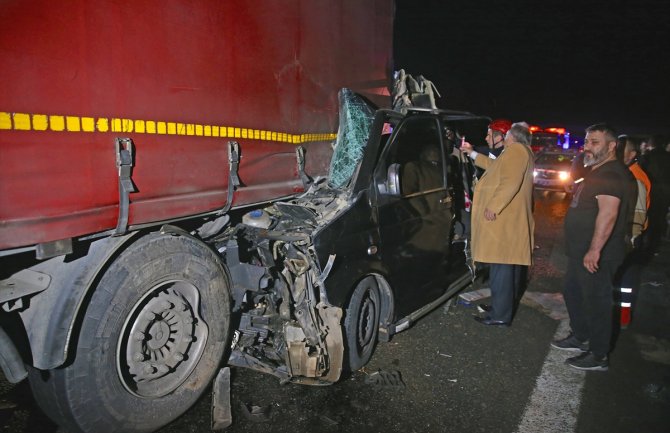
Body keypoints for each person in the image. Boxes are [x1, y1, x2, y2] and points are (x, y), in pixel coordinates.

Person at [551, 124, 636, 371]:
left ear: (612, 146)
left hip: (598, 254)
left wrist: (595, 249)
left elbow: (608, 214)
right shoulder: (597, 170)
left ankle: (599, 355)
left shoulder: (611, 174)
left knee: (597, 302)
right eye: (587, 141)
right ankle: (581, 334)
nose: (587, 146)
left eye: (595, 142)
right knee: (572, 291)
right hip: (580, 251)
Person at [460, 122, 535, 326]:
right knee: (504, 272)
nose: (487, 137)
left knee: (502, 272)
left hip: (503, 223)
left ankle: (500, 316)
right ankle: (501, 307)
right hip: (506, 224)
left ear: (509, 136)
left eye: (490, 134)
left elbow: (510, 181)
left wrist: (494, 206)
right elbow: (495, 168)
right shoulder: (518, 153)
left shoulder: (517, 150)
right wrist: (473, 154)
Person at [614, 135, 651, 328]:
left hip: (629, 239)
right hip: (625, 237)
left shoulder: (636, 178)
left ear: (633, 154)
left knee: (625, 284)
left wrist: (631, 241)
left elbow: (637, 215)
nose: (618, 153)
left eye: (622, 150)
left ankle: (622, 319)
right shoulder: (627, 173)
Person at [639, 134, 670, 253]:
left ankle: (640, 244)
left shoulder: (647, 157)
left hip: (649, 193)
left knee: (645, 218)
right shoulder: (668, 157)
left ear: (651, 143)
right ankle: (652, 247)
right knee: (659, 219)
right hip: (665, 194)